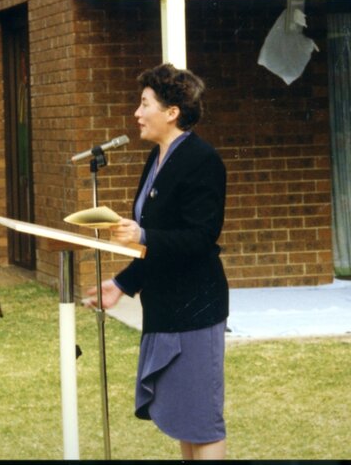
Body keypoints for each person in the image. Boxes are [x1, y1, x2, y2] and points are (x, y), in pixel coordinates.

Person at [84, 63, 229, 460]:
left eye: (145, 104)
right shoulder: (157, 158)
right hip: (164, 306)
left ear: (172, 112)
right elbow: (157, 241)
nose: (137, 113)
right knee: (184, 418)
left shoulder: (202, 159)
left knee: (202, 422)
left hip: (195, 309)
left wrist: (143, 235)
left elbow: (200, 237)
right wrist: (121, 284)